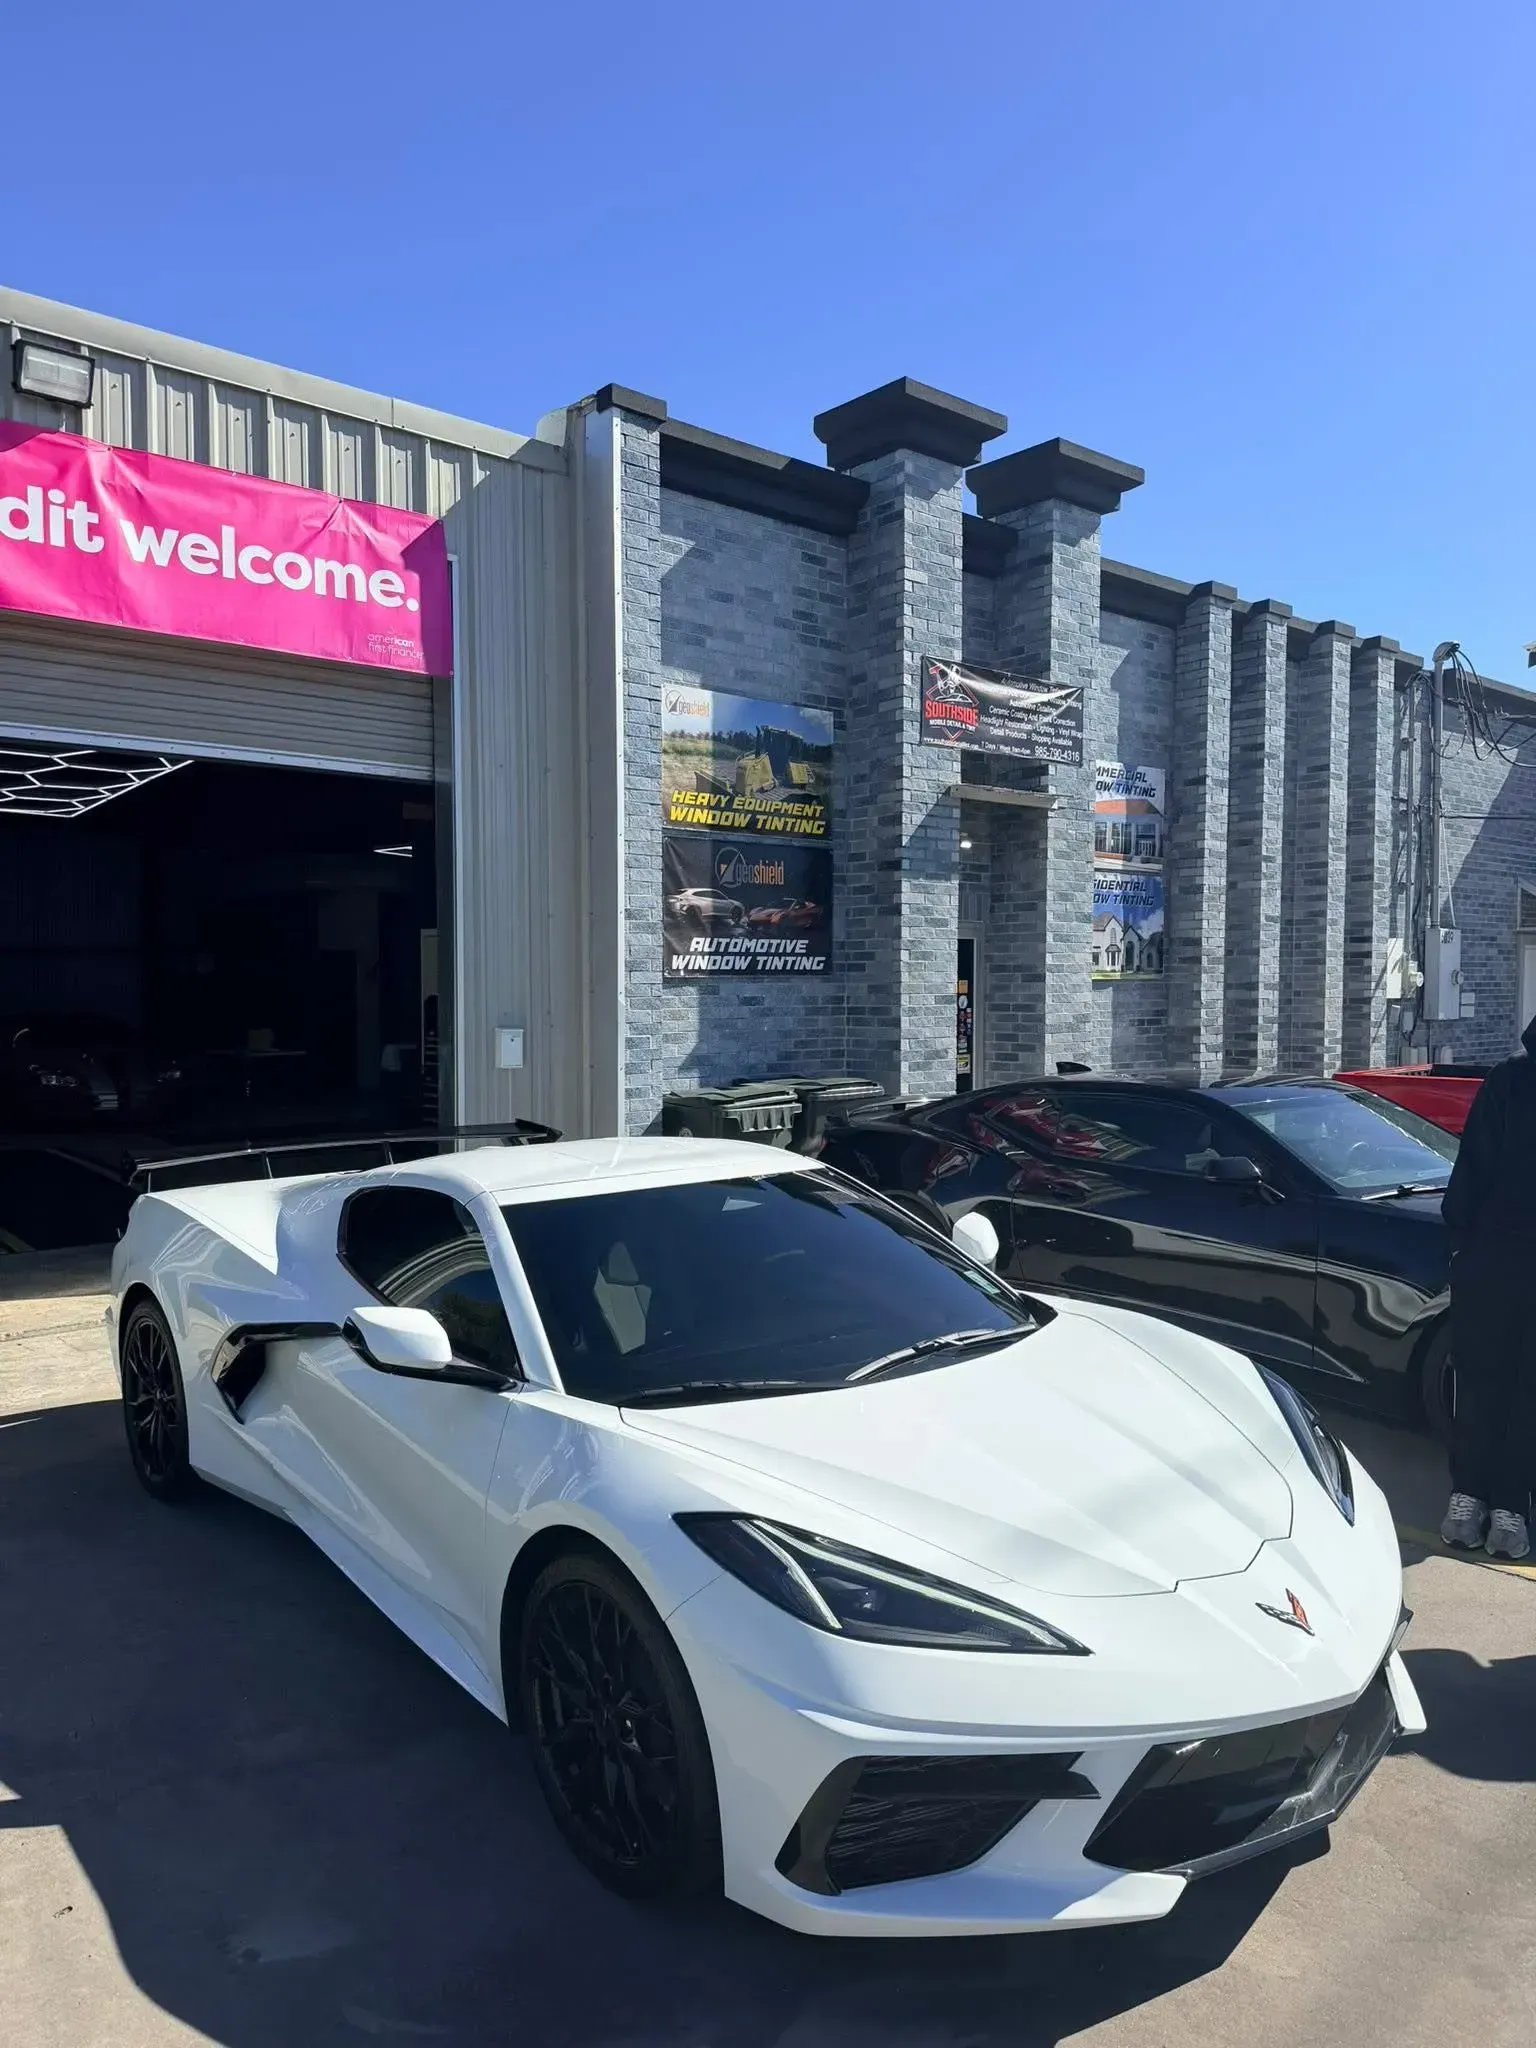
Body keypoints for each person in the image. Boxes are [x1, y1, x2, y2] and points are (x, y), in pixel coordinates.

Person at [1439, 1019, 1536, 1559]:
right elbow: (1471, 1170)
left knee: (1531, 1394)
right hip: (1493, 1261)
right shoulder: (1509, 1082)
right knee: (1479, 1382)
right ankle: (1467, 1496)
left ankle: (1510, 1508)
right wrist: (1463, 1250)